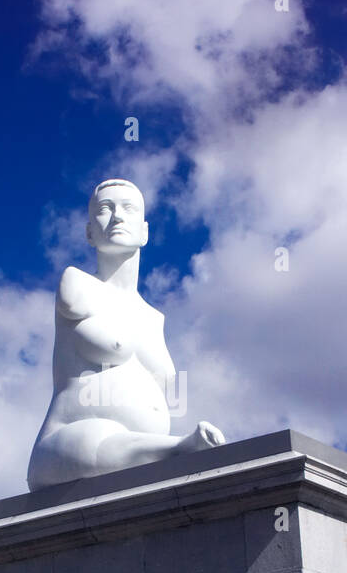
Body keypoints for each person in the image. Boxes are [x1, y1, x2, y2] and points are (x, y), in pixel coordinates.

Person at [27, 179, 225, 489]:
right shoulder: (77, 284)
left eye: (128, 209)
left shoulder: (154, 318)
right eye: (105, 209)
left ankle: (170, 449)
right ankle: (177, 448)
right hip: (69, 445)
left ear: (145, 232)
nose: (117, 216)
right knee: (98, 438)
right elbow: (74, 304)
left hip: (136, 470)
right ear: (89, 231)